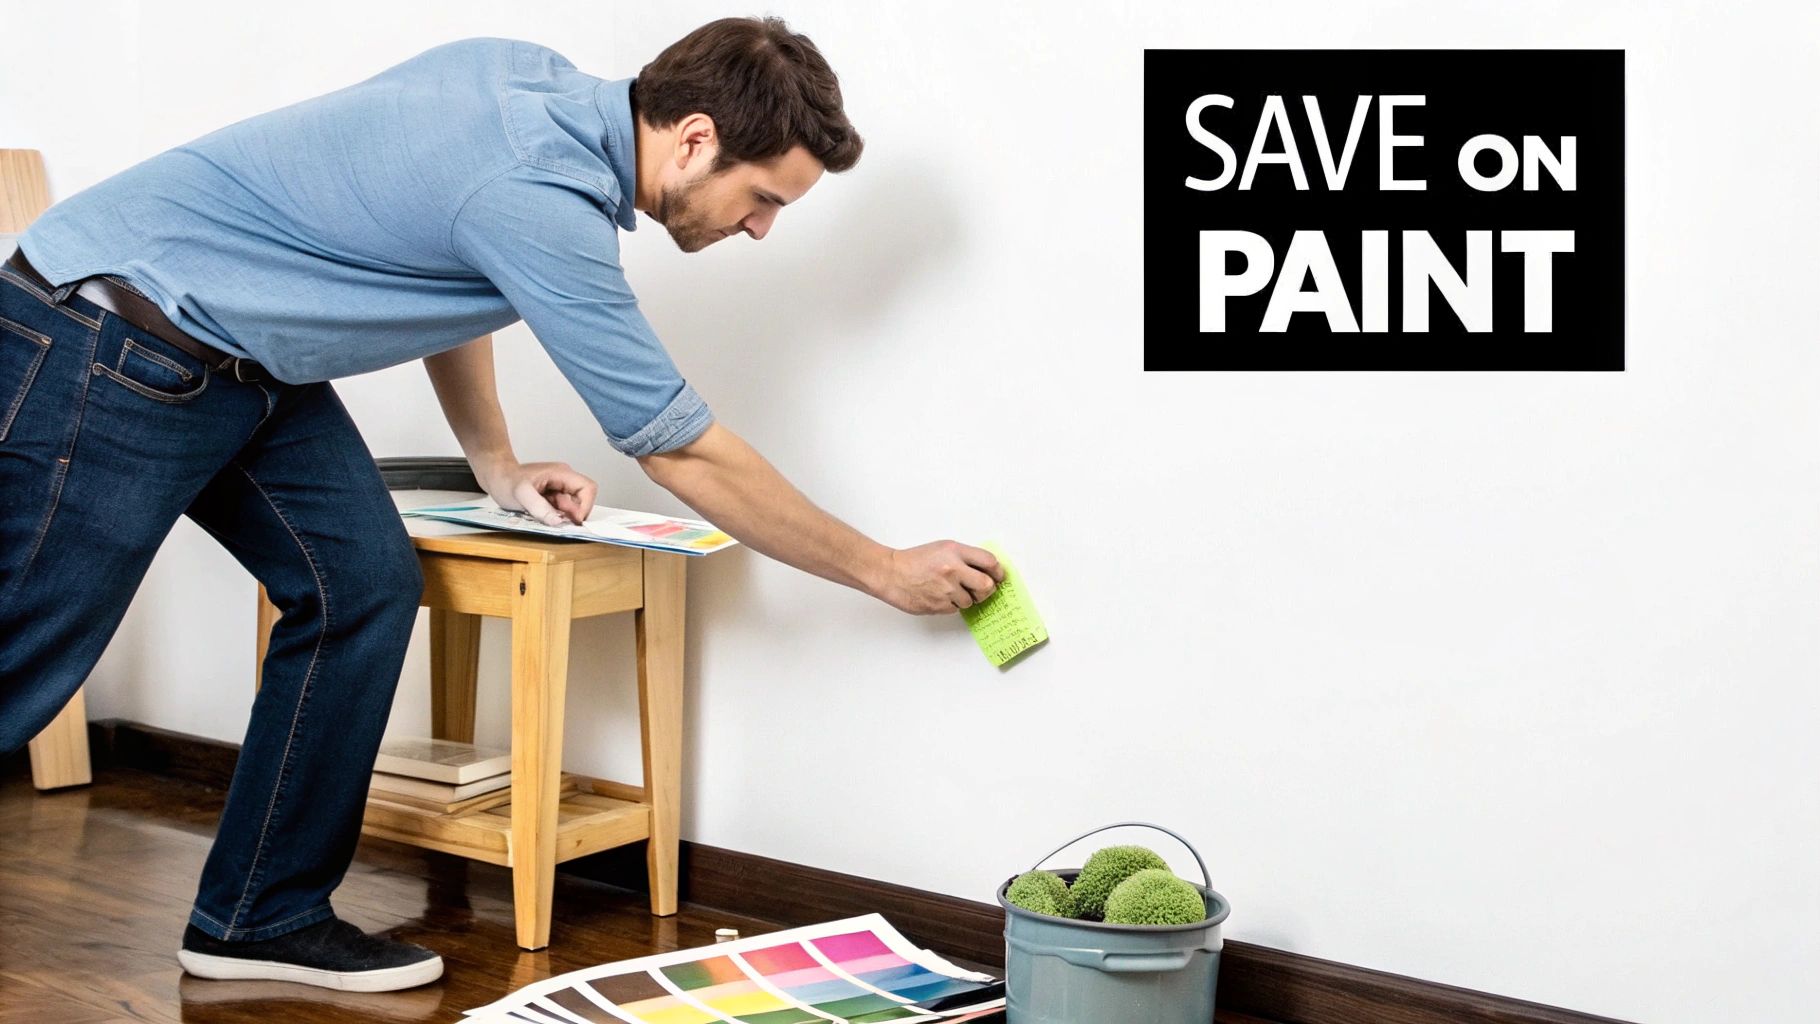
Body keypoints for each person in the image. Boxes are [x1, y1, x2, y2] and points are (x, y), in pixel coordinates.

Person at [0, 17, 1002, 991]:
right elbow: (680, 448)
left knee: (360, 583)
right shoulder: (544, 196)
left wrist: (496, 461)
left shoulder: (523, 81)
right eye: (762, 195)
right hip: (108, 333)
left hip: (237, 356)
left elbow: (446, 258)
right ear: (695, 139)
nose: (759, 226)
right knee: (25, 652)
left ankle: (261, 913)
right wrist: (881, 567)